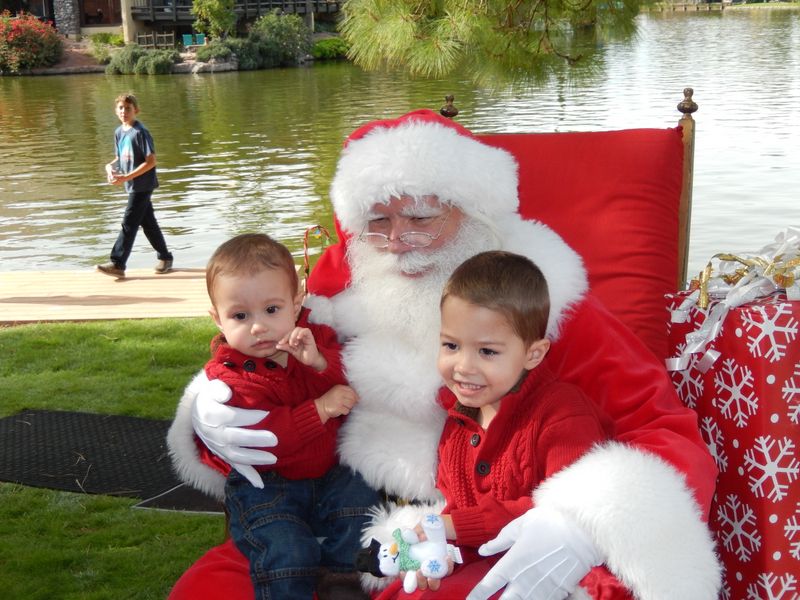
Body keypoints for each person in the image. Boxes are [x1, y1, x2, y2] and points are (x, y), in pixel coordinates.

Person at [167, 109, 721, 600]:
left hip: (485, 527)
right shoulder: (344, 280)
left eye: (423, 216)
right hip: (329, 514)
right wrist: (209, 414)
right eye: (378, 220)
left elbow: (661, 429)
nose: (398, 238)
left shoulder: (543, 300)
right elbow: (259, 353)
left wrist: (582, 521)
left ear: (472, 211)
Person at [375, 250, 617, 598]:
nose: (463, 366)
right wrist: (439, 548)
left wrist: (456, 526)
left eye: (487, 352)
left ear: (533, 353)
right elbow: (455, 506)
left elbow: (570, 513)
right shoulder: (460, 417)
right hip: (481, 558)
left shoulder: (562, 414)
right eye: (451, 345)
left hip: (552, 569)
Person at [200, 232, 378, 599]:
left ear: (296, 304)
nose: (258, 326)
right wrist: (320, 409)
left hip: (330, 471)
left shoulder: (316, 339)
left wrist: (319, 364)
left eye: (271, 309)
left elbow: (349, 386)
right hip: (267, 483)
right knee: (287, 551)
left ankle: (343, 586)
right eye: (240, 315)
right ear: (217, 319)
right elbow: (267, 438)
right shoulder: (231, 375)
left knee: (360, 509)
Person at [97, 93, 173, 279]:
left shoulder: (140, 132)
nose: (124, 112)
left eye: (128, 108)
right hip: (131, 184)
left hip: (143, 185)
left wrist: (126, 177)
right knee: (148, 223)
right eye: (121, 108)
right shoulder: (119, 132)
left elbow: (151, 161)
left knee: (129, 222)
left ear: (136, 110)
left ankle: (118, 263)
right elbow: (120, 157)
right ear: (116, 111)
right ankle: (165, 257)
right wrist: (110, 167)